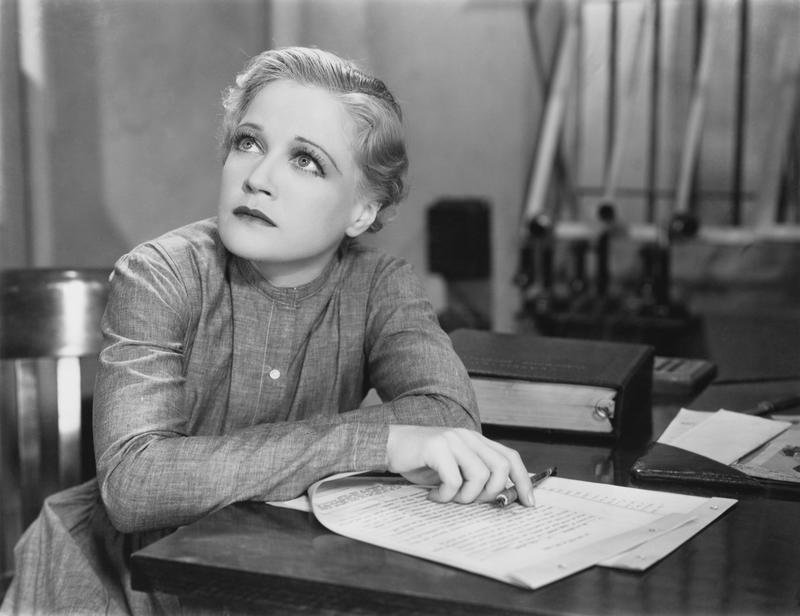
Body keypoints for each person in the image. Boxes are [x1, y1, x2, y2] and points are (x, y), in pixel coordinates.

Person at [1, 46, 533, 614]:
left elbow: (448, 416)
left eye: (306, 160)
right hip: (114, 588)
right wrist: (382, 441)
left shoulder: (381, 285)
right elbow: (134, 484)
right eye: (248, 142)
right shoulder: (158, 275)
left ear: (361, 211)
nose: (257, 178)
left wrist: (400, 438)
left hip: (273, 580)